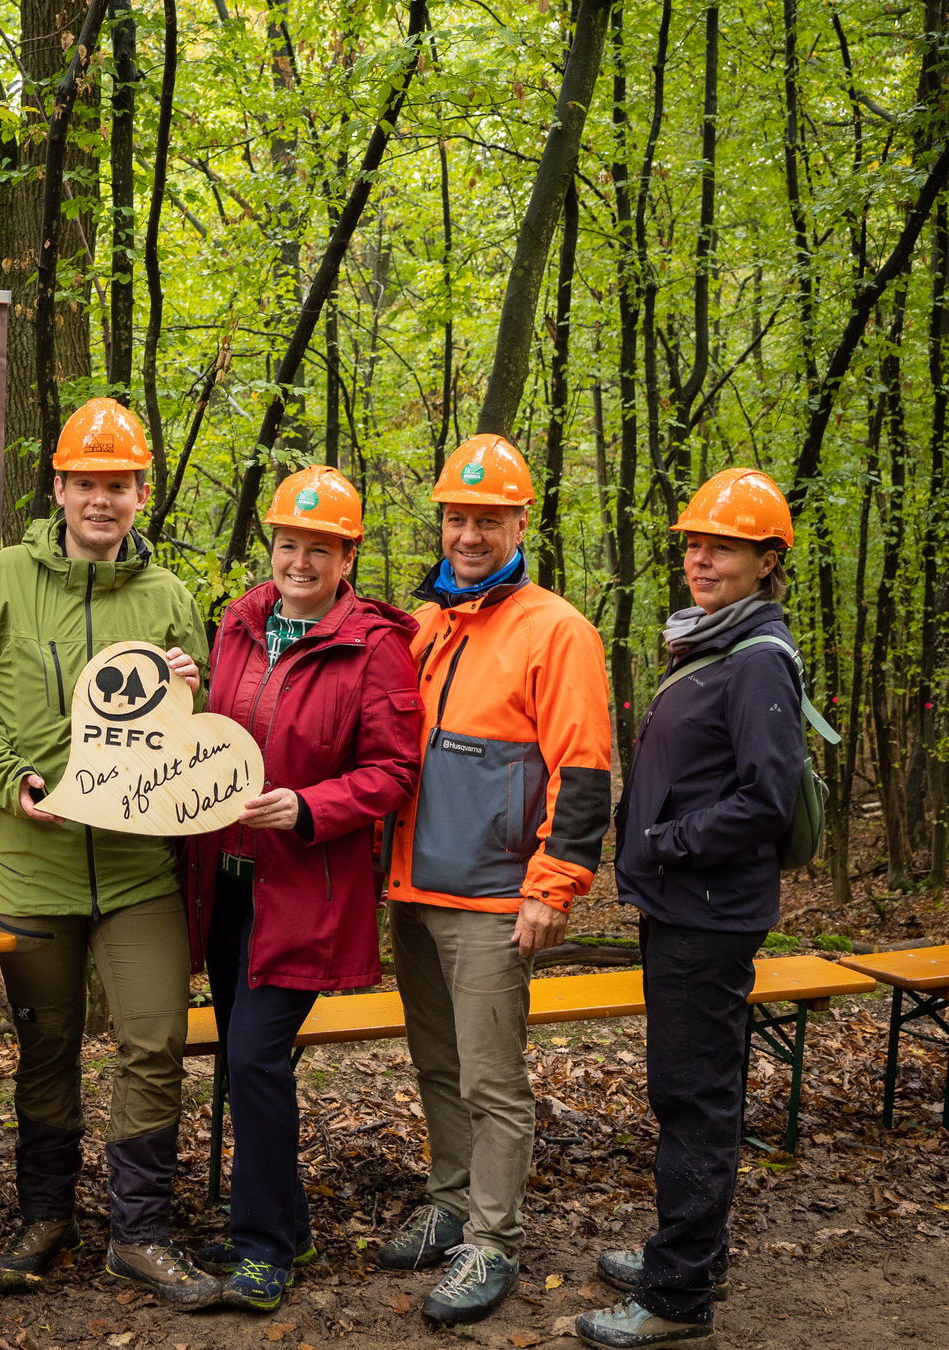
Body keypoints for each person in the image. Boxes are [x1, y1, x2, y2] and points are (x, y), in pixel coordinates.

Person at [0, 398, 218, 1308]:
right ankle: (45, 1218)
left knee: (154, 1040)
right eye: (86, 484)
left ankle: (140, 1233)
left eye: (120, 485)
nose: (103, 500)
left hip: (138, 870)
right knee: (48, 1045)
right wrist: (6, 773)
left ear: (142, 493)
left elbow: (197, 733)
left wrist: (183, 692)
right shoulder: (1, 581)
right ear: (58, 488)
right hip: (31, 864)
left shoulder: (168, 596)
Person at [378, 434, 613, 1326]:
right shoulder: (429, 625)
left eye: (487, 519)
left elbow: (584, 771)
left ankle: (492, 1239)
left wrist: (552, 887)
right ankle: (447, 1203)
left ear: (521, 521)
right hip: (415, 889)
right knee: (437, 1065)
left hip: (491, 900)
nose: (469, 534)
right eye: (456, 517)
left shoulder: (557, 629)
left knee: (491, 1080)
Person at [574, 469, 810, 1350]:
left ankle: (678, 1296)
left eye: (724, 546)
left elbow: (766, 802)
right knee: (689, 1090)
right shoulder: (714, 643)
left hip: (706, 913)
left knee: (693, 1097)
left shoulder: (755, 663)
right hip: (685, 907)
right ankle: (691, 1253)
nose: (700, 558)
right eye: (694, 543)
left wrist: (664, 842)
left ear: (766, 559)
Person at [181, 466, 423, 1312]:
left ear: (346, 554)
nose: (298, 560)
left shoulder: (375, 644)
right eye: (288, 543)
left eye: (318, 548)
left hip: (305, 890)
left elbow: (394, 769)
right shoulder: (240, 625)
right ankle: (286, 1219)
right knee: (246, 1063)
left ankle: (265, 1249)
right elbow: (211, 737)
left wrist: (311, 805)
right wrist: (178, 698)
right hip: (227, 887)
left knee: (254, 1058)